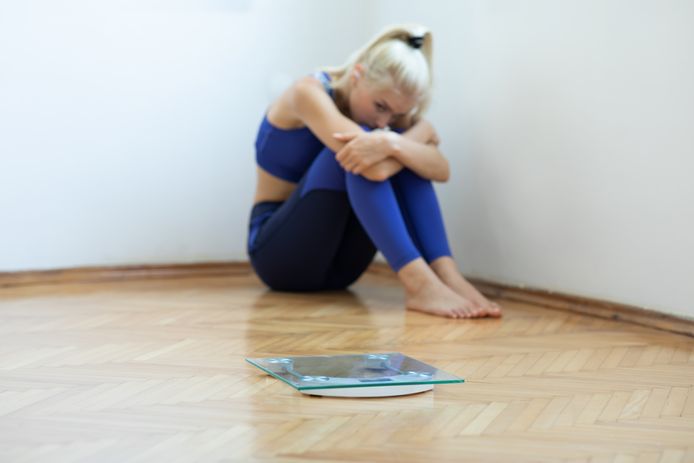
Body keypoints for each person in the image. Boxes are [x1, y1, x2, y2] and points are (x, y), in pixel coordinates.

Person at [247, 24, 501, 319]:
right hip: (281, 259)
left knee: (388, 149)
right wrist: (416, 135)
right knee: (357, 150)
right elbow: (374, 168)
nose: (385, 120)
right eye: (381, 106)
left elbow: (441, 170)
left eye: (396, 114)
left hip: (343, 269)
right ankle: (418, 283)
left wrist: (394, 142)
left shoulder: (386, 124)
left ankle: (448, 275)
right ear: (357, 75)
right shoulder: (308, 92)